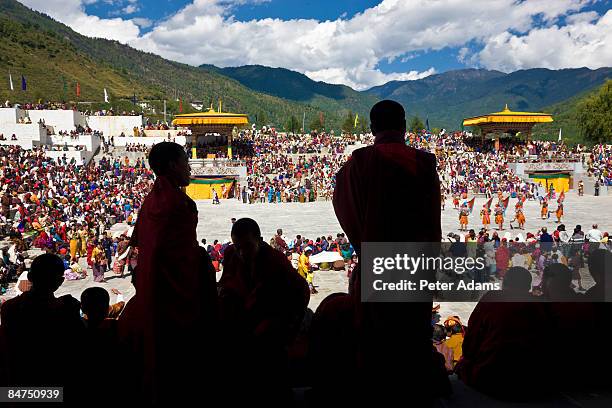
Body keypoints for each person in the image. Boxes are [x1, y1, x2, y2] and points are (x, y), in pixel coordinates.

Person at [317, 100, 442, 405]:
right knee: (412, 339)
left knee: (376, 341)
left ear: (372, 128)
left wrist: (363, 244)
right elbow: (431, 221)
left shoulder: (356, 165)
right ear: (403, 125)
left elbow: (344, 209)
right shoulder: (424, 164)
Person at [118, 142, 218, 404]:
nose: (189, 167)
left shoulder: (152, 200)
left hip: (153, 286)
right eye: (185, 161)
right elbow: (180, 253)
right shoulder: (174, 202)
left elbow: (143, 242)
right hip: (174, 293)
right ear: (173, 165)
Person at [219, 218, 309, 405]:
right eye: (237, 247)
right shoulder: (231, 255)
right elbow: (225, 286)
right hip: (242, 332)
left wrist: (289, 330)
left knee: (273, 384)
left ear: (260, 240)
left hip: (272, 332)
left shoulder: (275, 262)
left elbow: (300, 292)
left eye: (247, 246)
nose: (242, 253)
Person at [457, 267, 551, 399]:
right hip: (533, 383)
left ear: (504, 283)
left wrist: (467, 360)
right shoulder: (537, 304)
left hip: (490, 378)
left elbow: (471, 339)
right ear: (528, 287)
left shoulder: (491, 298)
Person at [0, 254, 83, 395]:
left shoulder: (9, 308)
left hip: (17, 389)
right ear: (60, 281)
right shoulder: (66, 309)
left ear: (30, 277)